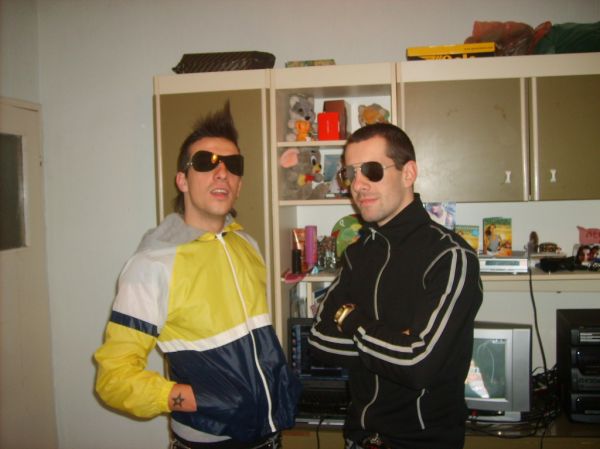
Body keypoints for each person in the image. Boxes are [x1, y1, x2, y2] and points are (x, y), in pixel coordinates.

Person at [94, 103, 300, 449]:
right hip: (206, 441)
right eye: (206, 162)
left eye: (233, 165)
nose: (222, 173)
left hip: (269, 435)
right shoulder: (152, 264)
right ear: (182, 180)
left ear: (239, 184)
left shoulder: (246, 245)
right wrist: (196, 400)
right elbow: (113, 378)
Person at [308, 123, 483, 449]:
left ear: (408, 173)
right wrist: (394, 343)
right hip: (358, 439)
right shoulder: (358, 254)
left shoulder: (450, 256)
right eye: (350, 174)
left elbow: (417, 364)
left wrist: (351, 320)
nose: (357, 184)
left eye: (371, 171)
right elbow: (319, 340)